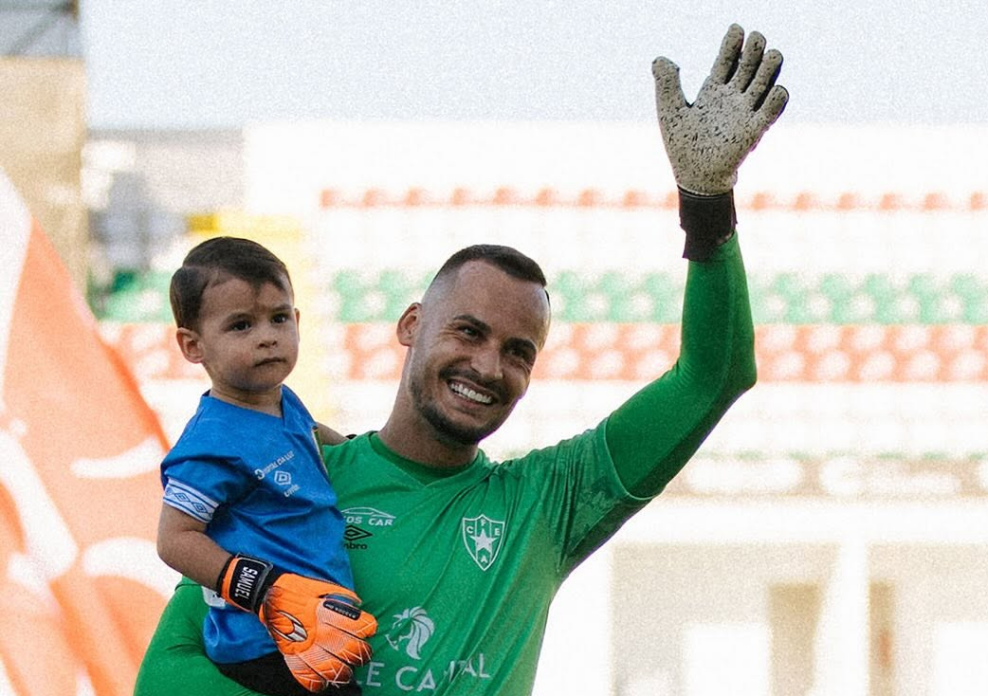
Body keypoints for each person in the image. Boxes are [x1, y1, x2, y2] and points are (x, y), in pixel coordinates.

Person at [135, 23, 788, 695]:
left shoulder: (549, 504)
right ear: (412, 325)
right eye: (468, 332)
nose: (487, 365)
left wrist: (706, 204)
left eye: (518, 352)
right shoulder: (292, 474)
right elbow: (165, 677)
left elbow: (713, 376)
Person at [157, 237, 377, 695]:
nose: (267, 335)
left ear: (297, 320)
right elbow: (174, 539)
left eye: (279, 317)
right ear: (193, 345)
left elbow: (309, 432)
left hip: (321, 624)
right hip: (267, 644)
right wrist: (267, 590)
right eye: (241, 325)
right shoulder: (210, 443)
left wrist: (367, 454)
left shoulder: (281, 398)